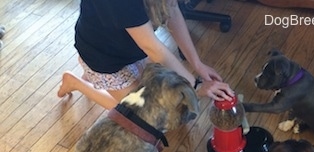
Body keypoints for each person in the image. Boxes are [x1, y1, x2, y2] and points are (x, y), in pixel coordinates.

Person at [57, 0, 234, 110]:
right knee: (144, 116)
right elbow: (151, 46)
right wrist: (195, 85)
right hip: (103, 57)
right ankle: (76, 82)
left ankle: (96, 77)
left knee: (171, 104)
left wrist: (197, 63)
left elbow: (170, 10)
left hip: (133, 49)